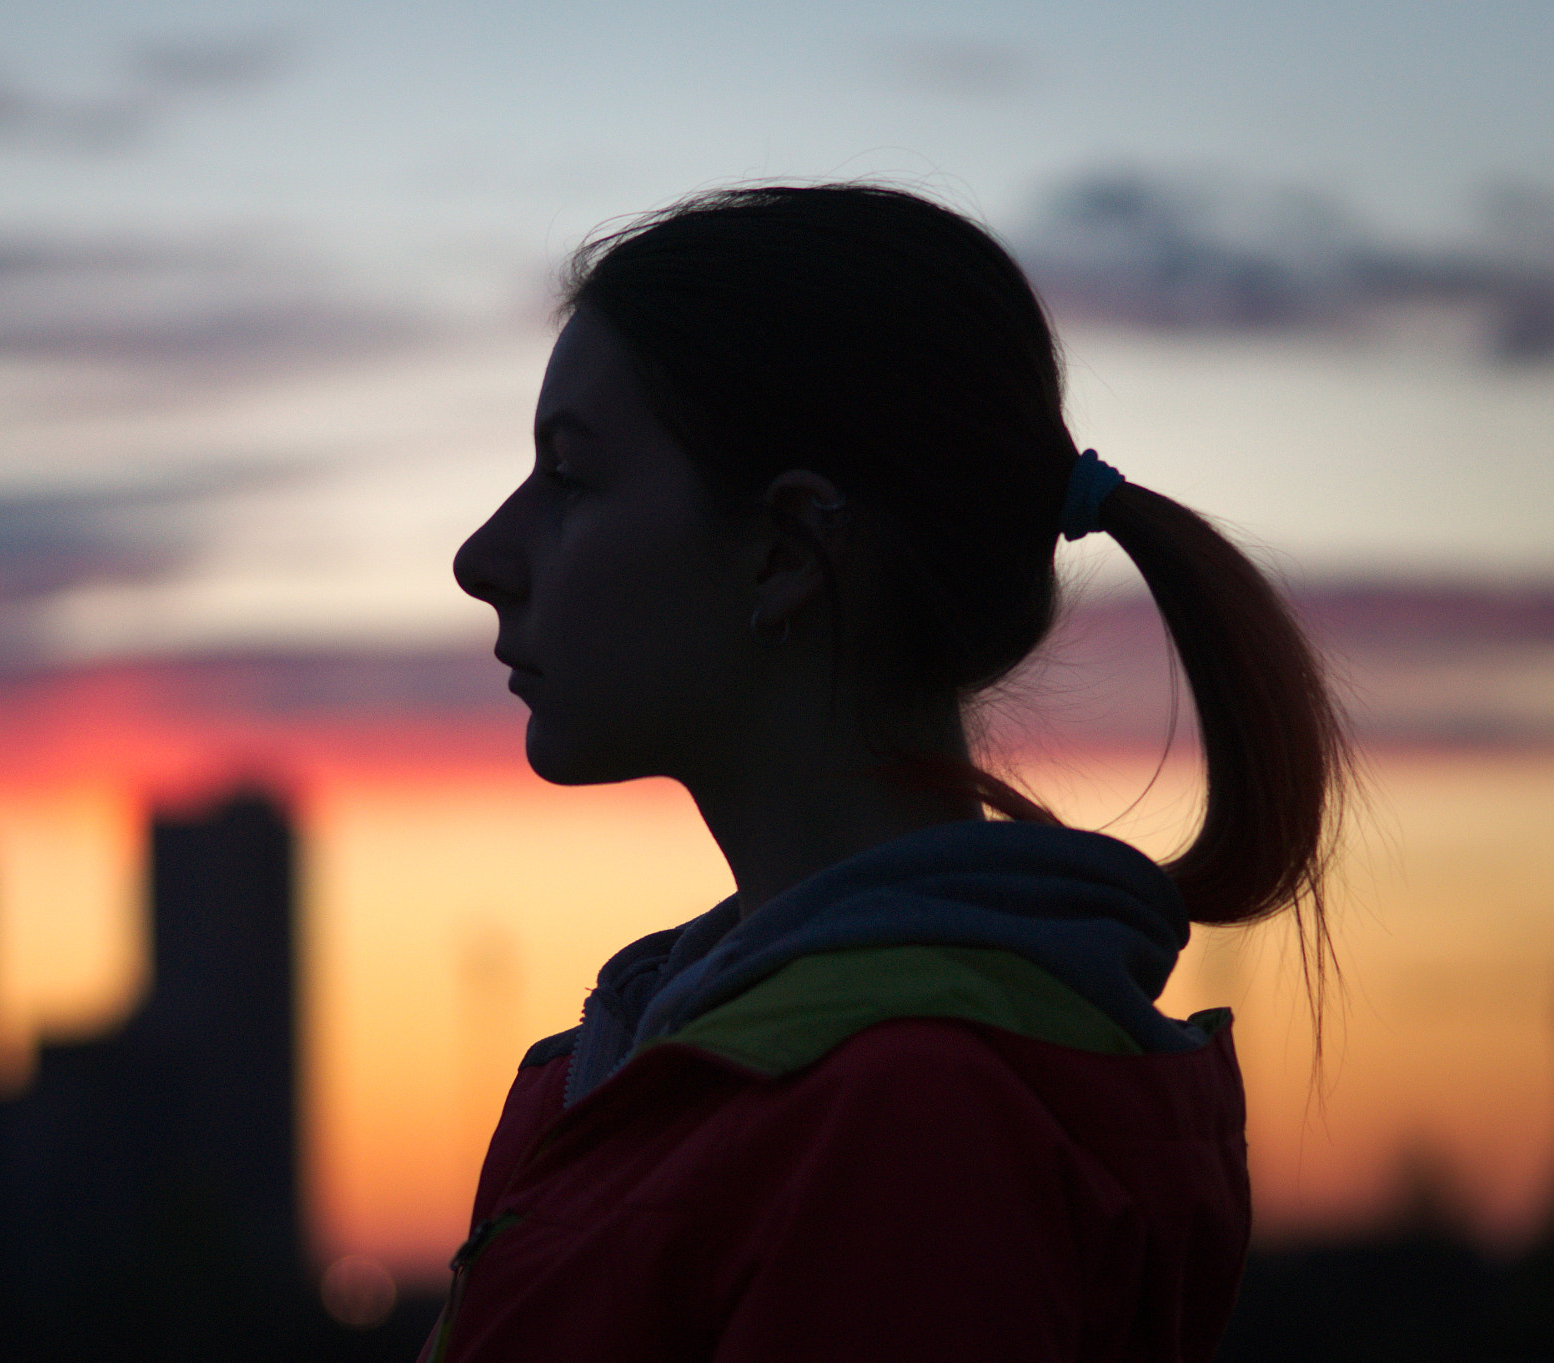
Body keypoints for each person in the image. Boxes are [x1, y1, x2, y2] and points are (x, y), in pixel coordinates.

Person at [437, 184, 1347, 1362]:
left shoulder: (906, 1129)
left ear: (781, 553)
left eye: (570, 475)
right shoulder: (633, 1076)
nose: (480, 558)